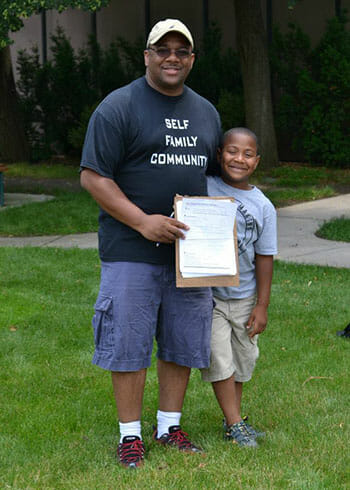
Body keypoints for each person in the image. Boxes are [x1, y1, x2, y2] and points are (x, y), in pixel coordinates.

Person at [80, 18, 221, 468]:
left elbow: (213, 180)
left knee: (183, 340)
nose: (172, 57)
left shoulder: (206, 112)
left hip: (191, 256)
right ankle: (130, 436)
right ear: (147, 55)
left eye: (182, 50)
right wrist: (142, 222)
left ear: (192, 59)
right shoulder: (118, 107)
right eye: (163, 49)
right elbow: (92, 176)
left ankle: (168, 426)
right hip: (131, 250)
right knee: (129, 342)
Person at [201, 127, 277, 448]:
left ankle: (234, 419)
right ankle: (234, 424)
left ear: (257, 161)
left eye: (247, 154)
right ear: (219, 154)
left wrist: (262, 305)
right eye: (232, 151)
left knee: (242, 361)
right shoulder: (203, 187)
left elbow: (265, 257)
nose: (239, 159)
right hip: (210, 296)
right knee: (220, 359)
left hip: (245, 298)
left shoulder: (264, 207)